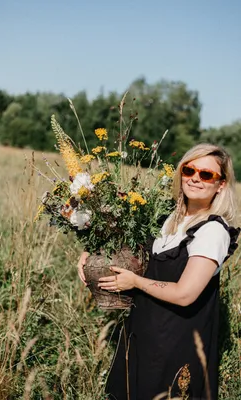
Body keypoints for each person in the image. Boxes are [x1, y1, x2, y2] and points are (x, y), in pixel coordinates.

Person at [77, 143, 240, 400]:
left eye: (206, 174)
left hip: (176, 347)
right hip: (141, 336)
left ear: (221, 184)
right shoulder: (166, 214)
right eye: (189, 170)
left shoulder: (213, 231)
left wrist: (135, 282)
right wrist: (91, 251)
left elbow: (185, 294)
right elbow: (125, 243)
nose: (195, 178)